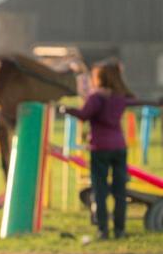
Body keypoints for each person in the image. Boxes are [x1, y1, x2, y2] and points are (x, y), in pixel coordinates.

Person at [60, 60, 158, 239]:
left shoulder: (96, 98)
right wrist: (157, 102)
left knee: (100, 190)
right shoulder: (119, 97)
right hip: (119, 148)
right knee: (120, 192)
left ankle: (103, 230)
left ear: (99, 78)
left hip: (100, 148)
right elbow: (138, 102)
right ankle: (120, 230)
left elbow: (83, 115)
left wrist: (66, 110)